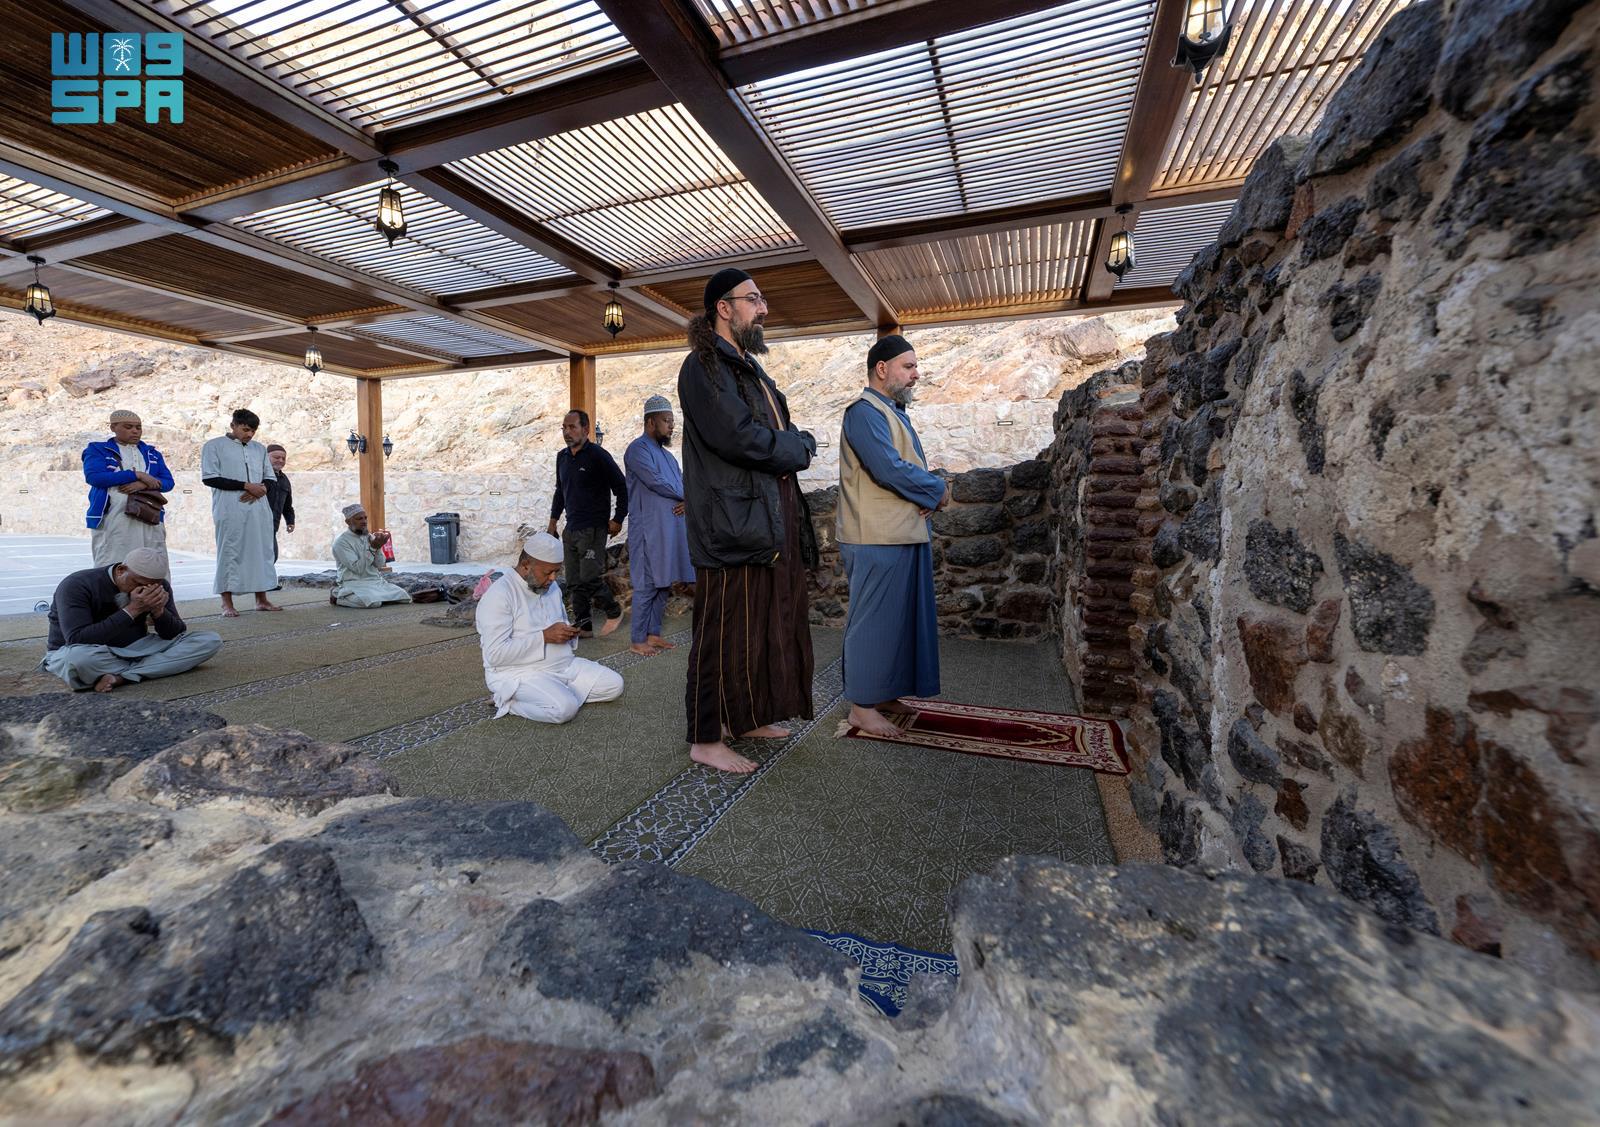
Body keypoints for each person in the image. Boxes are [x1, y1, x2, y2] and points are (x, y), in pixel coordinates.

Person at [678, 266, 819, 773]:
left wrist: (794, 443)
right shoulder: (703, 366)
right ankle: (705, 736)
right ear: (724, 308)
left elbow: (773, 433)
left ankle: (747, 716)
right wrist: (800, 447)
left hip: (763, 522)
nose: (764, 309)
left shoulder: (747, 368)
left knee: (758, 627)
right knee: (721, 632)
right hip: (731, 526)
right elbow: (738, 438)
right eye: (754, 299)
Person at [837, 335, 950, 736]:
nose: (916, 374)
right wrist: (936, 490)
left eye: (915, 367)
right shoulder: (863, 412)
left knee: (897, 623)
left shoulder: (891, 411)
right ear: (881, 369)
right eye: (909, 366)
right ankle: (861, 708)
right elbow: (887, 468)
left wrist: (925, 493)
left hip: (899, 533)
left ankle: (883, 693)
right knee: (872, 623)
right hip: (874, 536)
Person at [475, 532, 625, 724]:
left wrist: (567, 632)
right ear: (526, 565)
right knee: (563, 710)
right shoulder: (499, 595)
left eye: (556, 571)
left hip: (563, 667)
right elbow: (495, 655)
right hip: (520, 674)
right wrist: (544, 636)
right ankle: (507, 702)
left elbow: (557, 625)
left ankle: (553, 695)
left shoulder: (550, 587)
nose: (553, 578)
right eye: (548, 572)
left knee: (614, 686)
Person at [41, 546, 222, 693]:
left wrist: (159, 611)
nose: (146, 590)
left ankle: (121, 676)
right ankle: (151, 667)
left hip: (137, 647)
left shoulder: (158, 586)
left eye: (153, 586)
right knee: (76, 660)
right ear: (121, 570)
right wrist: (133, 609)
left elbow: (174, 633)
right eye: (139, 584)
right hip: (87, 652)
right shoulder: (77, 585)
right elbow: (77, 638)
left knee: (209, 641)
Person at [623, 395, 695, 656]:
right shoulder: (637, 450)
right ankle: (637, 639)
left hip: (669, 531)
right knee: (647, 583)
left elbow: (683, 484)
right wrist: (688, 497)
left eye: (672, 421)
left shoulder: (669, 457)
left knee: (663, 583)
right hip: (648, 531)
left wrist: (688, 500)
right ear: (651, 422)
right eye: (666, 421)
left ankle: (653, 634)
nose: (671, 426)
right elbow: (655, 481)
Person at [546, 408, 626, 638]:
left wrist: (618, 519)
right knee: (573, 581)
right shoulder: (562, 457)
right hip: (571, 529)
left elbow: (621, 487)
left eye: (572, 427)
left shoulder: (598, 455)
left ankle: (614, 610)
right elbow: (560, 492)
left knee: (589, 577)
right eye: (564, 427)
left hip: (594, 529)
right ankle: (584, 626)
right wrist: (553, 523)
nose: (567, 432)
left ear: (586, 429)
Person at [200, 408, 280, 617]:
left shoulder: (259, 449)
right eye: (245, 429)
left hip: (258, 508)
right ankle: (227, 604)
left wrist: (261, 489)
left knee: (260, 552)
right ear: (233, 425)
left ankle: (261, 600)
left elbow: (270, 477)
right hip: (230, 508)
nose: (249, 434)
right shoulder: (214, 446)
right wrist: (246, 486)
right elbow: (210, 478)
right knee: (229, 552)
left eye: (253, 431)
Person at [82, 409, 174, 569]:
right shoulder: (98, 450)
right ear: (113, 427)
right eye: (128, 427)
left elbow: (168, 482)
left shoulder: (152, 453)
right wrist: (136, 475)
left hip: (149, 516)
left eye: (138, 427)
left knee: (152, 563)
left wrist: (144, 483)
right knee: (115, 562)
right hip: (114, 517)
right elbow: (95, 477)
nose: (135, 431)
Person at [331, 503, 413, 608]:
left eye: (365, 518)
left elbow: (380, 564)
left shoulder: (369, 537)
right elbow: (358, 569)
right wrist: (373, 548)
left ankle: (373, 596)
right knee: (373, 603)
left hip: (375, 582)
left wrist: (378, 548)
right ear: (348, 522)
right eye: (359, 519)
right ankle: (339, 597)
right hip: (353, 583)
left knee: (404, 597)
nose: (364, 521)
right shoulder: (341, 543)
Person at [264, 444, 295, 562]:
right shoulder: (258, 475)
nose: (281, 461)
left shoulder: (284, 479)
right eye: (276, 457)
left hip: (272, 526)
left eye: (283, 458)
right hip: (256, 525)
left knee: (272, 557)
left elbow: (287, 505)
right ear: (266, 457)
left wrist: (290, 521)